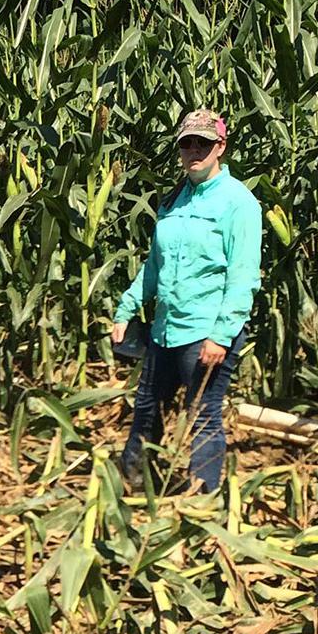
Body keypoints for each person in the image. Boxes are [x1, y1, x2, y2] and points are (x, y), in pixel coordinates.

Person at [109, 109, 262, 496]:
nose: (194, 150)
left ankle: (201, 500)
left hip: (205, 333)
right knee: (146, 410)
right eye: (187, 143)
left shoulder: (238, 204)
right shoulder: (173, 199)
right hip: (165, 329)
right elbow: (154, 264)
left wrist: (222, 335)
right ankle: (133, 486)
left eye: (203, 143)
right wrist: (128, 307)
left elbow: (243, 276)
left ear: (220, 147)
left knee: (203, 415)